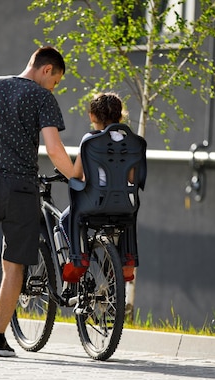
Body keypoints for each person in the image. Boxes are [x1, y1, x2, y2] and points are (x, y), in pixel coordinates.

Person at [0, 46, 75, 357]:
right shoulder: (42, 98)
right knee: (14, 265)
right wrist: (75, 174)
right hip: (20, 187)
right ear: (46, 70)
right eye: (56, 80)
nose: (54, 87)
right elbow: (54, 148)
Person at [59, 92, 136, 281]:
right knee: (124, 220)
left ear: (92, 116)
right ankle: (127, 263)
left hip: (94, 203)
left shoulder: (90, 140)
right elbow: (132, 177)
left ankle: (80, 258)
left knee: (64, 219)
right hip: (124, 204)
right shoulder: (130, 141)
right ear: (120, 115)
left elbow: (76, 175)